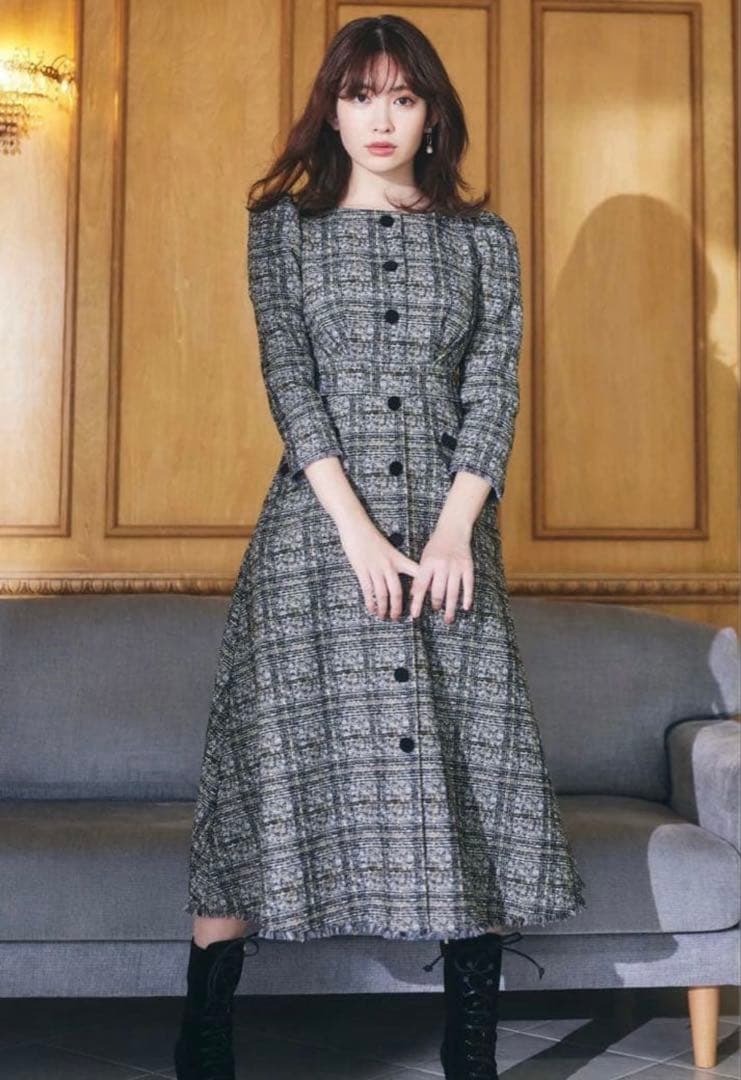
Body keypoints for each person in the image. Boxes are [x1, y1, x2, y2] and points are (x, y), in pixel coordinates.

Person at [174, 13, 586, 1080]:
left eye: (403, 97)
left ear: (433, 113)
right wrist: (355, 533)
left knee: (470, 773)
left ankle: (469, 1052)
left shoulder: (485, 243)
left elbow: (493, 392)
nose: (381, 119)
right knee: (263, 778)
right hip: (316, 546)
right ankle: (204, 1043)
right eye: (361, 97)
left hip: (452, 545)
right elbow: (292, 386)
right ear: (332, 111)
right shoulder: (283, 232)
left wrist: (453, 530)